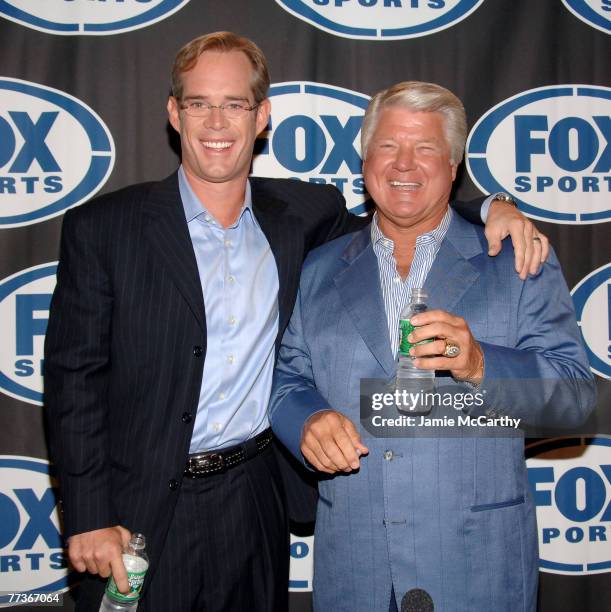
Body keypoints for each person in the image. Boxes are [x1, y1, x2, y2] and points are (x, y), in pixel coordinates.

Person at [45, 31, 548, 612]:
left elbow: (409, 203)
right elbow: (71, 379)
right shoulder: (105, 227)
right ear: (173, 113)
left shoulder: (305, 218)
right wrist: (87, 514)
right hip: (138, 512)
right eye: (199, 103)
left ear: (261, 116)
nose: (217, 122)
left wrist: (491, 207)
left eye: (234, 104)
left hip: (254, 499)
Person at [269, 81, 596, 612]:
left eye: (425, 148)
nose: (404, 164)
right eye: (388, 146)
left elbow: (576, 401)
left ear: (453, 165)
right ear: (364, 158)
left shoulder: (515, 259)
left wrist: (481, 364)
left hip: (477, 567)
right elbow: (288, 380)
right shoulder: (320, 267)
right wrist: (306, 420)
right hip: (356, 568)